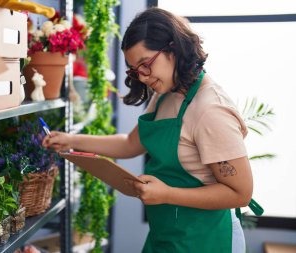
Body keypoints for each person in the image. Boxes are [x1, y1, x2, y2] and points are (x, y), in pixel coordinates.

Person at [43, 7, 263, 253]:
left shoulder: (210, 110)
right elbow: (130, 143)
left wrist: (167, 194)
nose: (143, 77)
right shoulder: (166, 93)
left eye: (145, 64)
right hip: (168, 234)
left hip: (206, 239)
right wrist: (71, 140)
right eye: (135, 71)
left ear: (173, 48)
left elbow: (240, 193)